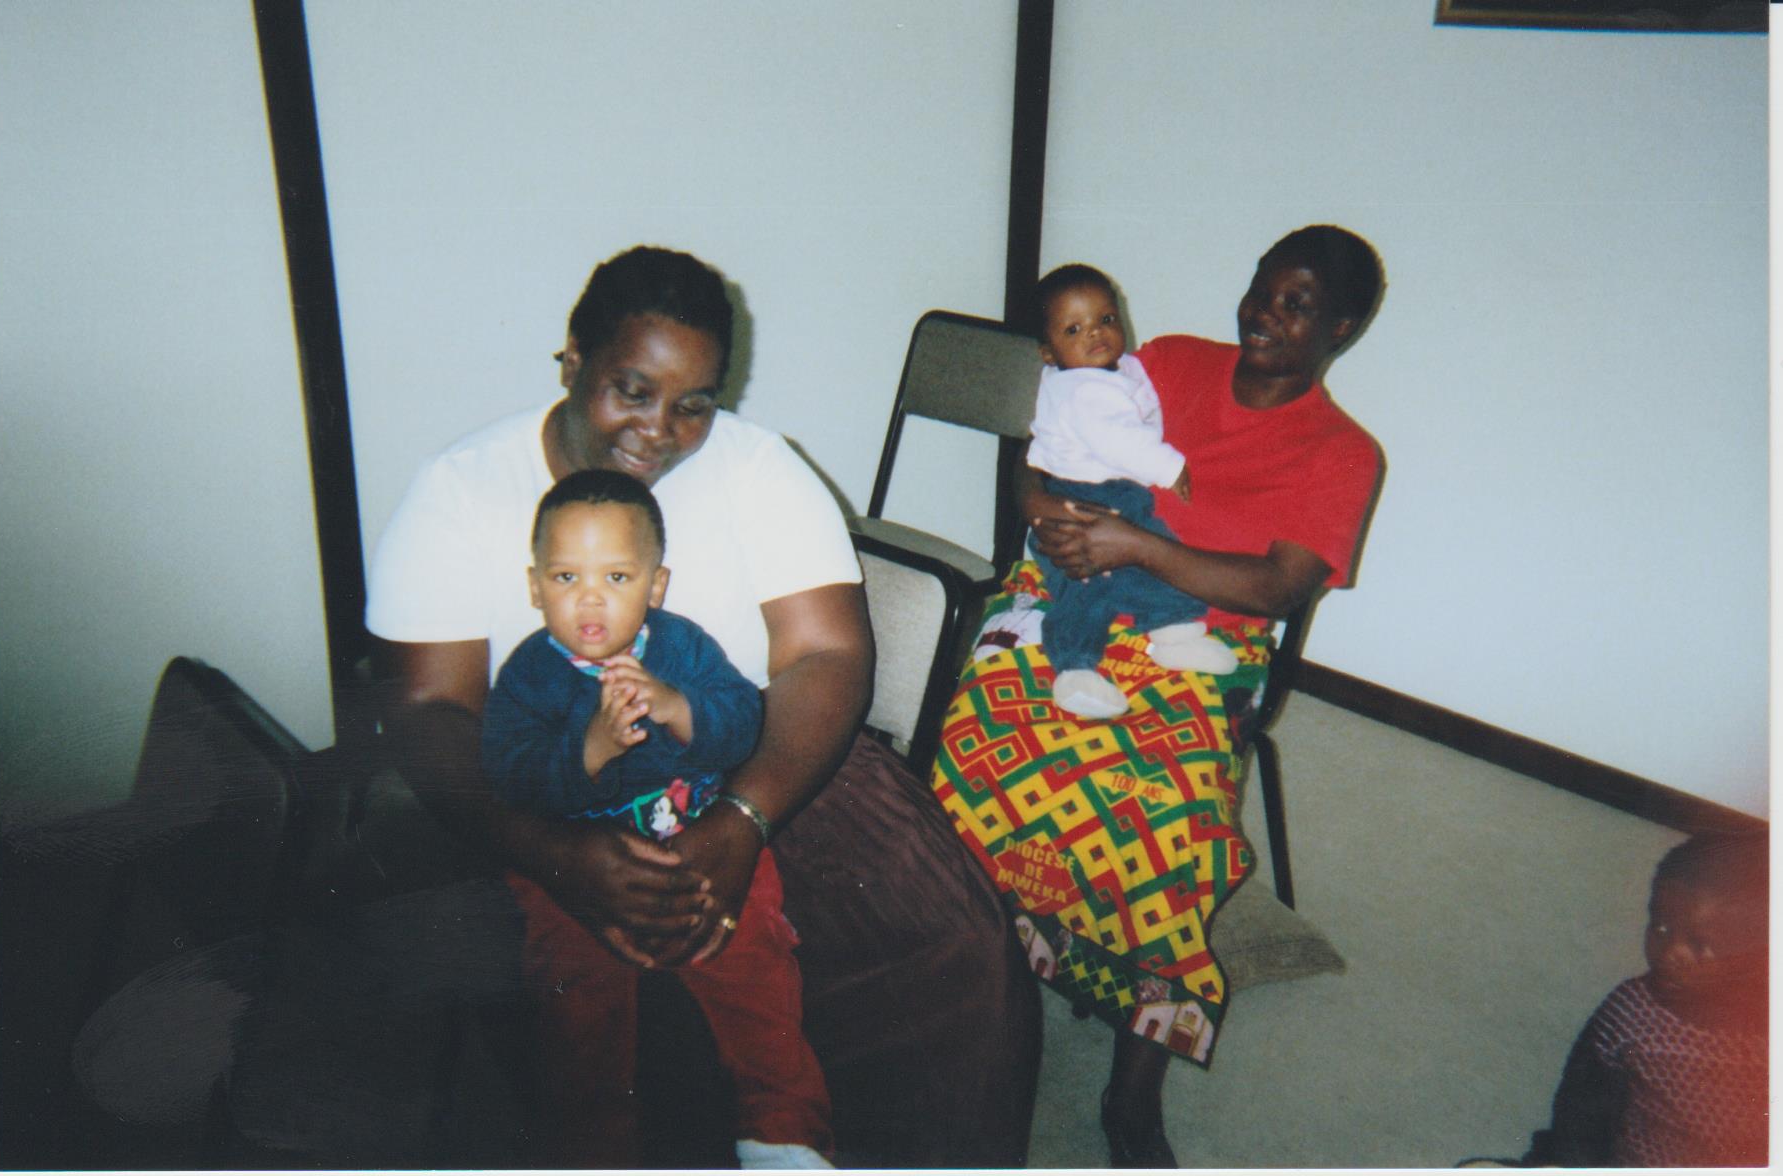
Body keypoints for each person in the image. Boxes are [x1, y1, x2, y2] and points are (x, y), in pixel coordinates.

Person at [366, 245, 1040, 1167]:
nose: (659, 430)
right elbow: (427, 711)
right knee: (599, 1028)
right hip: (545, 782)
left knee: (955, 938)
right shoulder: (458, 492)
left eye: (693, 404)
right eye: (632, 391)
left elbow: (829, 655)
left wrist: (744, 819)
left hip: (750, 741)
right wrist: (553, 852)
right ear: (573, 363)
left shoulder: (759, 470)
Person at [933, 226, 1385, 1166]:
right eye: (1261, 290)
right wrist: (1049, 518)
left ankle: (1133, 1088)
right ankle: (973, 984)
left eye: (1296, 305)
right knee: (976, 739)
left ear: (1341, 328)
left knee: (1165, 804)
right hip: (1073, 586)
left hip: (1211, 635)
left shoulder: (1342, 452)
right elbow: (1043, 450)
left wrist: (1137, 546)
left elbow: (1277, 588)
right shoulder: (1168, 363)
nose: (1264, 315)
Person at [480, 469, 833, 1169]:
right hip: (579, 865)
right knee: (575, 995)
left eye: (616, 577)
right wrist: (589, 750)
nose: (590, 598)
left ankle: (781, 1128)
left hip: (695, 838)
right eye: (566, 577)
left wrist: (677, 707)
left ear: (656, 585)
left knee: (758, 970)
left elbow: (744, 721)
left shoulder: (682, 647)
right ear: (534, 587)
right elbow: (509, 775)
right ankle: (594, 1141)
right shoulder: (529, 675)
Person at [1025, 262, 1238, 719]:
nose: (1095, 333)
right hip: (1085, 497)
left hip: (1112, 493)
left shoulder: (1106, 371)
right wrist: (1169, 467)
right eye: (1074, 329)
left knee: (1152, 559)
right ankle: (1074, 670)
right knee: (1085, 583)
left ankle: (1174, 632)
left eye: (1106, 319)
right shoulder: (1083, 389)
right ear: (1048, 352)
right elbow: (1118, 439)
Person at [1516, 832, 1767, 1167]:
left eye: (1698, 943)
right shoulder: (1630, 1012)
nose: (1671, 953)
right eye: (1660, 929)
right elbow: (1577, 1124)